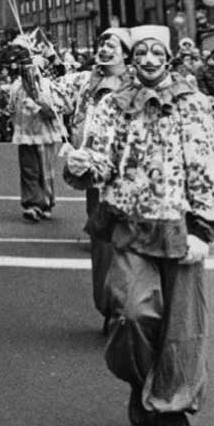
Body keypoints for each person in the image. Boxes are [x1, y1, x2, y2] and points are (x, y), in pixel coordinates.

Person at [65, 24, 214, 426]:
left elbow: (208, 163)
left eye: (158, 52)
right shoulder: (115, 104)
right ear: (133, 58)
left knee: (182, 327)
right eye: (142, 53)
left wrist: (203, 229)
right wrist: (83, 162)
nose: (150, 60)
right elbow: (101, 156)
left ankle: (173, 413)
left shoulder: (192, 104)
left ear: (168, 55)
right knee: (133, 312)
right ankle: (140, 382)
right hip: (130, 224)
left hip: (179, 228)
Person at [61, 26, 130, 322]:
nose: (104, 49)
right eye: (101, 43)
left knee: (131, 241)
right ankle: (110, 308)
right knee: (102, 243)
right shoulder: (83, 81)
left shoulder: (137, 82)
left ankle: (128, 305)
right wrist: (29, 64)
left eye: (112, 44)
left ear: (126, 53)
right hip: (97, 174)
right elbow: (46, 94)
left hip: (132, 174)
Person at [6, 34, 65, 221]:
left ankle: (46, 201)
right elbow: (11, 108)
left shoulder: (47, 86)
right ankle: (33, 203)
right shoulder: (16, 86)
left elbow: (58, 108)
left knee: (45, 170)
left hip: (45, 133)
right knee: (29, 169)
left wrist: (40, 107)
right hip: (25, 134)